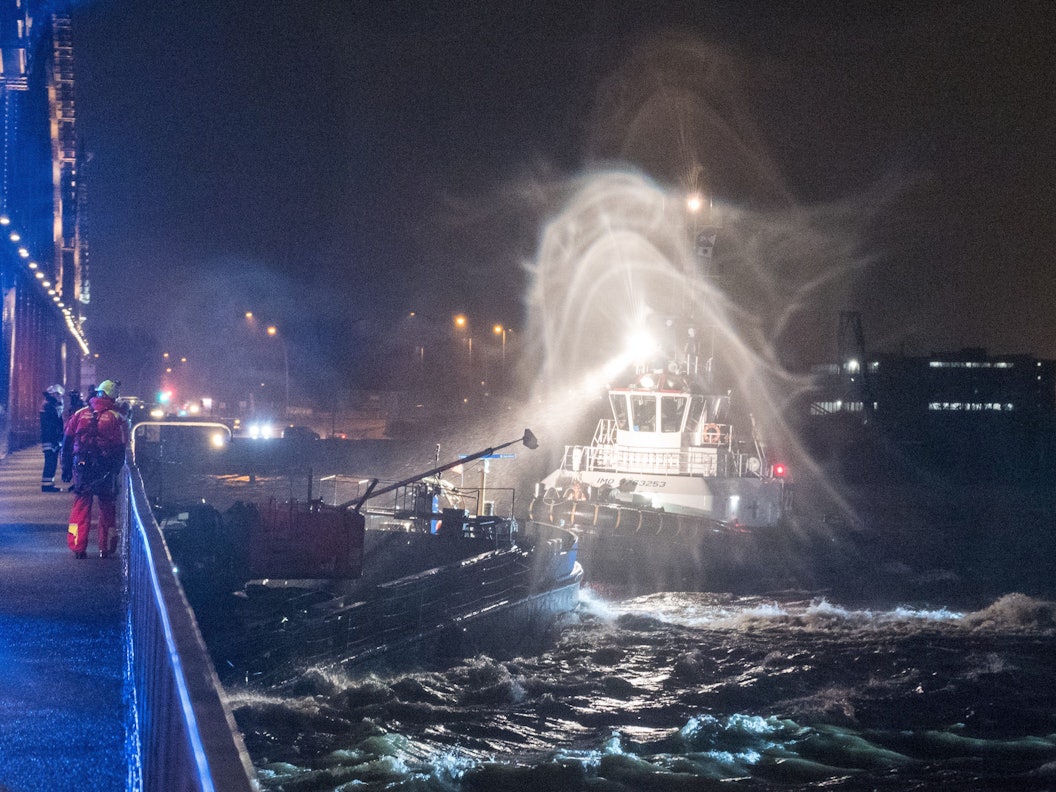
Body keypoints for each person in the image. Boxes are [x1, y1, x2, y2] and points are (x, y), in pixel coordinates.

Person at [61, 380, 129, 559]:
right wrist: (116, 470)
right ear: (113, 396)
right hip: (105, 467)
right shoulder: (118, 417)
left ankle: (78, 547)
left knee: (81, 505)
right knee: (107, 506)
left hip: (81, 466)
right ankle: (104, 547)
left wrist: (66, 467)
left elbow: (67, 442)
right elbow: (122, 447)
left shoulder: (79, 414)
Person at [39, 384, 64, 492]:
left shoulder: (48, 405)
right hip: (50, 439)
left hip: (49, 438)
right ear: (53, 394)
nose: (59, 397)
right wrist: (55, 440)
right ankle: (47, 485)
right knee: (50, 462)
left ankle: (48, 484)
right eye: (58, 395)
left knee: (51, 461)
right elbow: (53, 424)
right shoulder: (49, 406)